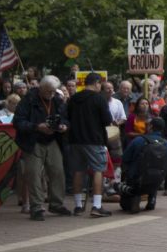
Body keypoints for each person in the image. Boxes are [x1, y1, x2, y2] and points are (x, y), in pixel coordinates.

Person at [14, 76, 73, 221]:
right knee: (34, 174)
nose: (51, 94)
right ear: (41, 88)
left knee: (58, 171)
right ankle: (36, 207)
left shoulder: (57, 100)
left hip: (52, 139)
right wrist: (36, 127)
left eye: (53, 92)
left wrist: (64, 126)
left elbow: (65, 117)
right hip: (33, 140)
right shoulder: (28, 100)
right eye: (48, 91)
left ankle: (56, 203)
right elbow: (18, 122)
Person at [66, 72, 114, 217]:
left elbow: (67, 117)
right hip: (94, 139)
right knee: (98, 170)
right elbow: (107, 120)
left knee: (78, 171)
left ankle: (78, 206)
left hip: (75, 140)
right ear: (97, 83)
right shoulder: (99, 99)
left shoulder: (73, 99)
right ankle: (97, 206)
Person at [119, 117, 167, 213]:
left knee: (124, 204)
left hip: (136, 179)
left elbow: (125, 159)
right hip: (158, 180)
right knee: (153, 176)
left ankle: (134, 197)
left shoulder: (139, 140)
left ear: (151, 127)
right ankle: (152, 199)